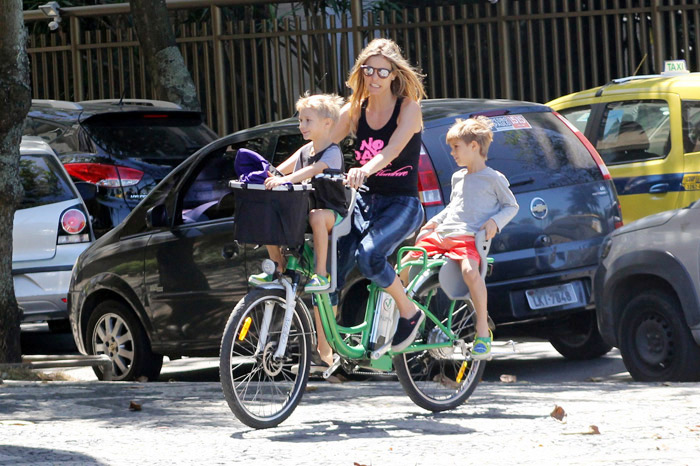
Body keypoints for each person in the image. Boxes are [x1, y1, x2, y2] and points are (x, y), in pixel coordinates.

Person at [330, 38, 427, 352]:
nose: (373, 77)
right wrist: (280, 171)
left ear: (395, 75)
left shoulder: (409, 108)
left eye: (382, 72)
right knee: (333, 265)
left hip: (402, 203)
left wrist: (363, 170)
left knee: (370, 257)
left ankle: (409, 313)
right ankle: (327, 346)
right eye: (367, 70)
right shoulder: (355, 110)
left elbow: (391, 150)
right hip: (364, 203)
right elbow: (322, 145)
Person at [407, 116, 519, 360]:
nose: (452, 153)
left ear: (474, 146)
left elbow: (511, 206)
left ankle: (482, 330)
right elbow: (453, 207)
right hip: (444, 234)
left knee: (470, 272)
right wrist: (433, 223)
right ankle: (406, 318)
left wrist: (494, 223)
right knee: (405, 264)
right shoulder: (458, 177)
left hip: (467, 238)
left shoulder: (493, 178)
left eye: (456, 147)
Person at [248, 92, 347, 368]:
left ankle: (321, 272)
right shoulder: (304, 150)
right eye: (301, 120)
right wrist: (262, 178)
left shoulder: (332, 151)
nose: (301, 125)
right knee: (271, 215)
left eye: (307, 120)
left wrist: (286, 179)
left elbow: (313, 171)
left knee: (317, 217)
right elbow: (278, 171)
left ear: (328, 123)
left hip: (332, 213)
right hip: (307, 213)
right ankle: (277, 265)